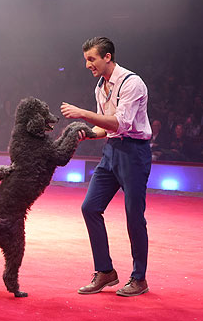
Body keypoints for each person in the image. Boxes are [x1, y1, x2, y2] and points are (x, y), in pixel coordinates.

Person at [61, 37, 152, 297]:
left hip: (134, 153)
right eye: (86, 59)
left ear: (108, 57)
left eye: (92, 59)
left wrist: (83, 114)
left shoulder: (132, 83)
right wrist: (88, 133)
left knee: (134, 217)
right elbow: (105, 128)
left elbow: (120, 124)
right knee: (90, 207)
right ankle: (105, 272)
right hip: (111, 152)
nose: (87, 64)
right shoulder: (100, 87)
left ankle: (139, 279)